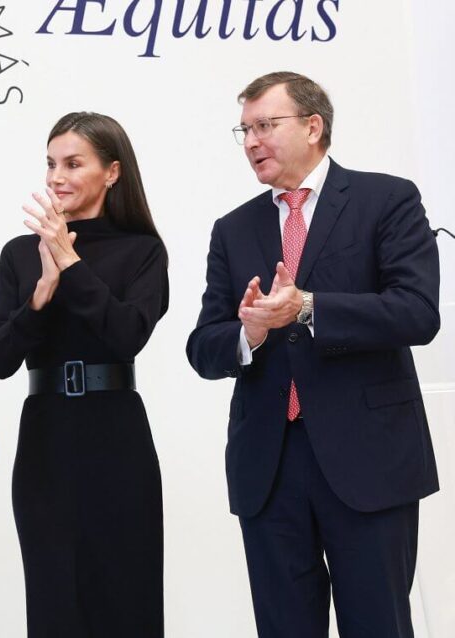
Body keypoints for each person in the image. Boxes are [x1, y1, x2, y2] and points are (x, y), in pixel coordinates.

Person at [186, 71, 440, 637]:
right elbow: (203, 347)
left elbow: (417, 312)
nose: (251, 141)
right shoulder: (233, 229)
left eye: (265, 125)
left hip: (367, 462)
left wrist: (307, 307)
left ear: (313, 126)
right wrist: (248, 335)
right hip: (269, 468)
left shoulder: (386, 199)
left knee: (377, 625)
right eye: (244, 129)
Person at [0, 112, 168, 636]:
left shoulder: (142, 251)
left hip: (117, 438)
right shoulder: (21, 254)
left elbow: (127, 335)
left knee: (124, 597)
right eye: (50, 164)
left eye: (72, 163)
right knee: (53, 599)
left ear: (112, 172)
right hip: (46, 440)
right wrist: (38, 297)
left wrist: (70, 265)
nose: (55, 177)